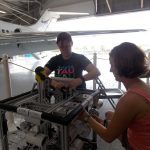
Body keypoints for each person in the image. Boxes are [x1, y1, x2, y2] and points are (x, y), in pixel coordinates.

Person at [79, 42, 150, 150]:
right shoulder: (144, 87)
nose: (110, 70)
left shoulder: (130, 99)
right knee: (109, 115)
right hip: (140, 138)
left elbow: (108, 137)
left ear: (123, 66)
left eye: (112, 65)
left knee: (109, 118)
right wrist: (103, 123)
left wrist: (85, 116)